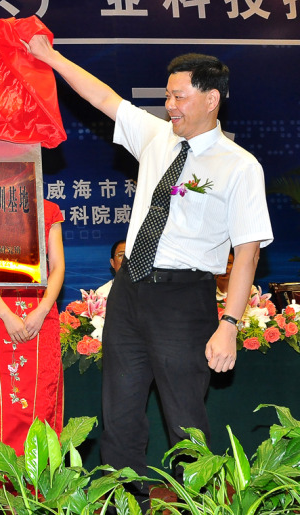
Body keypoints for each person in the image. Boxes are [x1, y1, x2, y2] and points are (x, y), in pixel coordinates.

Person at [28, 39, 273, 508]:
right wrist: (52, 58)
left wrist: (229, 324)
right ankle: (125, 502)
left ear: (211, 98)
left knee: (185, 420)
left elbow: (247, 254)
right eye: (167, 96)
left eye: (179, 96)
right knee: (119, 414)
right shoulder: (157, 136)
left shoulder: (240, 166)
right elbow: (103, 97)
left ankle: (196, 503)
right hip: (130, 291)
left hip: (184, 300)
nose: (170, 105)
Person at [0, 199, 65, 457]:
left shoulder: (49, 209)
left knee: (43, 400)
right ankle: (1, 479)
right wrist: (6, 314)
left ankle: (41, 479)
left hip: (42, 315)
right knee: (0, 400)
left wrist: (43, 309)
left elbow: (57, 266)